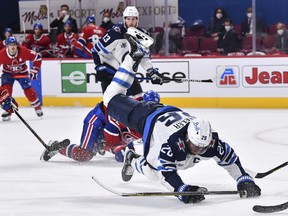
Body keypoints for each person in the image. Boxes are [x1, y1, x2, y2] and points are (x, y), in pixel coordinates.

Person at [101, 27, 261, 204]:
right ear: (186, 137)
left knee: (160, 166)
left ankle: (132, 159)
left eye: (202, 147)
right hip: (146, 116)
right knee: (110, 100)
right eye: (195, 146)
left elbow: (229, 158)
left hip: (168, 113)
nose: (199, 150)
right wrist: (181, 190)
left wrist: (244, 180)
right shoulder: (170, 144)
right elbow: (166, 174)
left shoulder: (209, 141)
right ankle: (131, 59)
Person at [40, 90, 160, 162]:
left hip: (108, 126)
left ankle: (100, 146)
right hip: (97, 120)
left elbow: (128, 134)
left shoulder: (143, 116)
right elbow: (111, 129)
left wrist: (128, 150)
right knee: (84, 155)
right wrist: (114, 147)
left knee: (114, 150)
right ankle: (55, 146)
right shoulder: (129, 110)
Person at [91, 6, 163, 96]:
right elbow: (95, 50)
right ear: (124, 19)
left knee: (139, 98)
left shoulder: (141, 36)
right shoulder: (115, 33)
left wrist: (151, 72)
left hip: (126, 70)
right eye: (128, 19)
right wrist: (99, 67)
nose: (131, 22)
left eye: (133, 19)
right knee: (111, 104)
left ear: (137, 20)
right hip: (109, 72)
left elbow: (143, 56)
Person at [0, 36, 43, 121]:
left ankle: (37, 107)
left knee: (28, 90)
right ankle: (8, 110)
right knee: (6, 92)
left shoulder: (23, 51)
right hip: (7, 74)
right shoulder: (1, 54)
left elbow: (38, 57)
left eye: (14, 44)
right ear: (7, 46)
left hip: (22, 72)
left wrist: (35, 70)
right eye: (10, 45)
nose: (12, 47)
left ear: (17, 45)